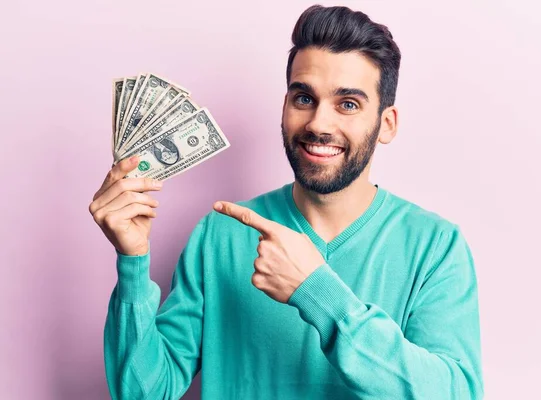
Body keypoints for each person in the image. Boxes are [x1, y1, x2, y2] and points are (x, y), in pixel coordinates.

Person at [90, 5, 484, 399]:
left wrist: (316, 291)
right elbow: (143, 393)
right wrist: (133, 261)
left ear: (386, 123)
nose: (318, 124)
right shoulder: (220, 234)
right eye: (303, 98)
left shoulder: (436, 247)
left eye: (348, 104)